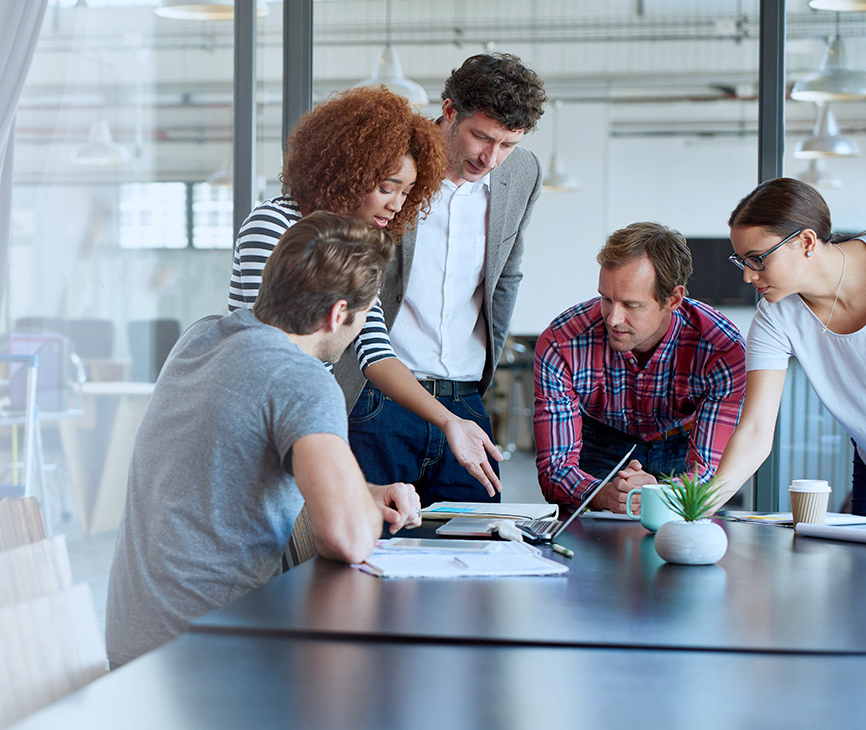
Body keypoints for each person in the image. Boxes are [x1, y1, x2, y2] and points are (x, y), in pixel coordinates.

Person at [110, 212, 423, 667]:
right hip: (210, 657)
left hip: (134, 647)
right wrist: (355, 504)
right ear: (338, 314)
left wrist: (365, 493)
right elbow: (349, 539)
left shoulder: (200, 338)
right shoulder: (302, 379)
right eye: (364, 315)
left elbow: (236, 471)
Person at [228, 86, 506, 496]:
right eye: (387, 186)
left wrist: (450, 421)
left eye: (408, 192)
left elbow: (376, 351)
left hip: (307, 424)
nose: (397, 205)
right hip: (268, 428)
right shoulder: (273, 223)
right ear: (348, 171)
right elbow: (267, 352)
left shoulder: (361, 245)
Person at [339, 53, 547, 506]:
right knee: (373, 553)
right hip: (378, 398)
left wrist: (481, 379)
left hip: (465, 400)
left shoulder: (523, 173)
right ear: (449, 111)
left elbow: (507, 273)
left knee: (475, 555)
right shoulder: (394, 165)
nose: (491, 158)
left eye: (508, 144)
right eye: (482, 137)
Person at [533, 222, 747, 513]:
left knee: (692, 539)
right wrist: (603, 495)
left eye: (631, 305)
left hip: (684, 447)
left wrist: (660, 494)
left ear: (672, 299)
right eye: (606, 299)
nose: (613, 319)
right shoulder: (562, 342)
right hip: (601, 444)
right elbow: (555, 470)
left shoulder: (721, 348)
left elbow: (709, 474)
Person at [710, 178, 866, 515]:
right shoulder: (775, 316)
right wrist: (701, 505)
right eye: (741, 260)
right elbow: (756, 430)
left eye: (757, 258)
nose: (748, 275)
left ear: (806, 241)